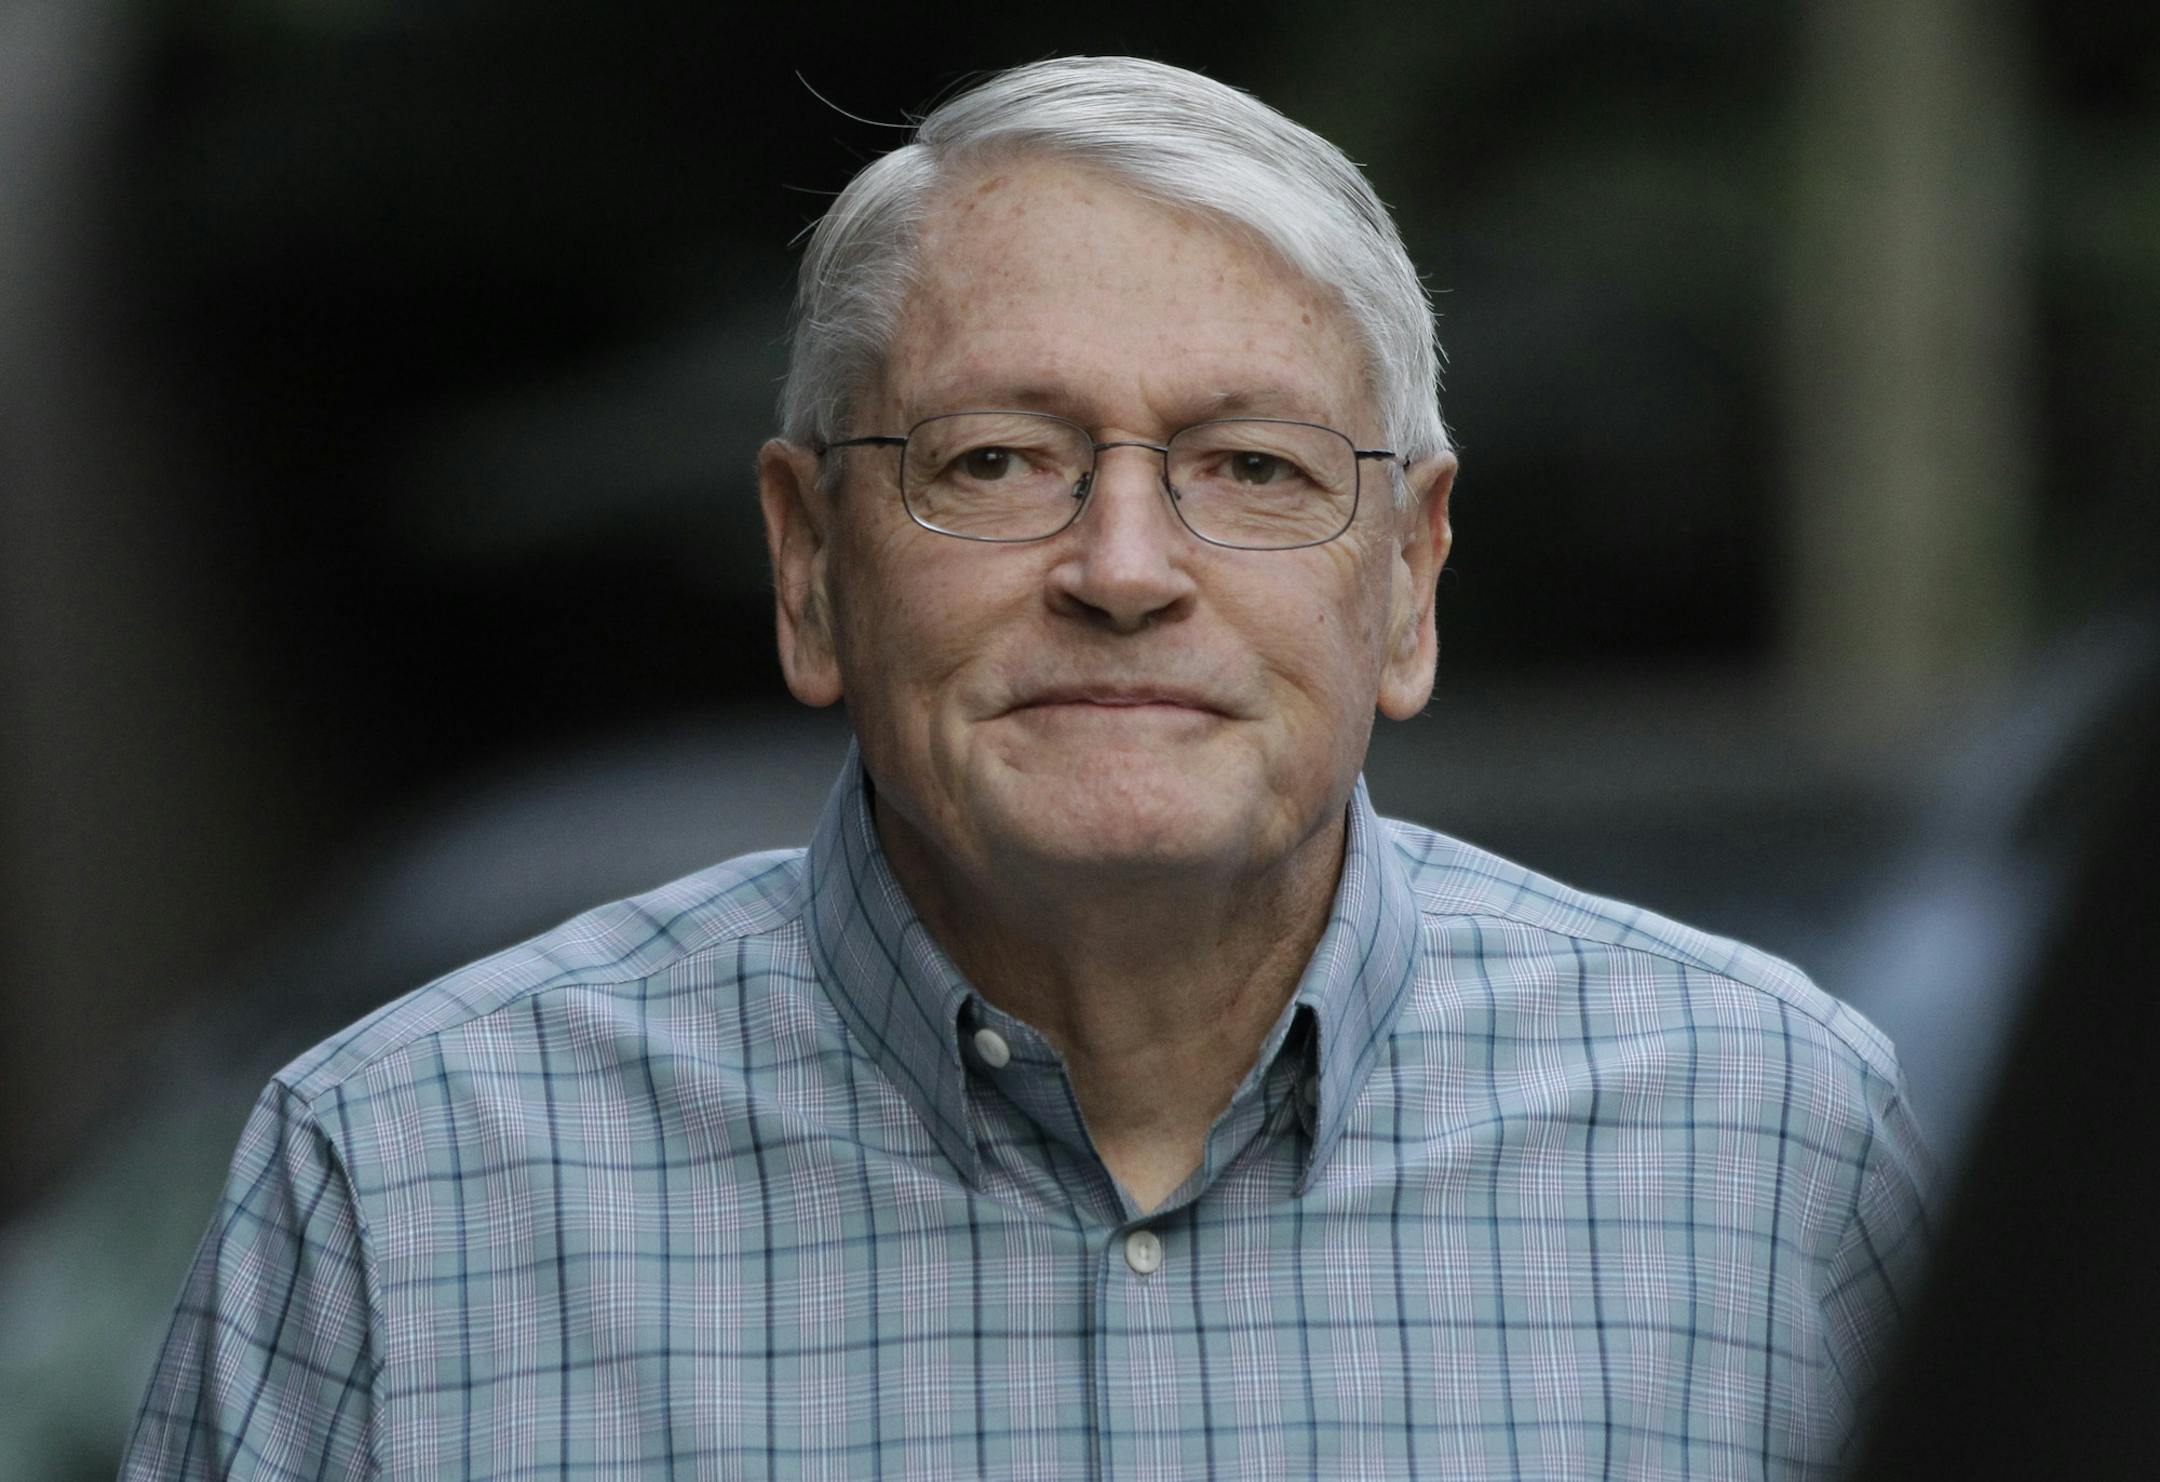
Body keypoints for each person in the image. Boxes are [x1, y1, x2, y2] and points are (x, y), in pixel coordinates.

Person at [121, 56, 1929, 1479]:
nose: (1126, 567)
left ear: (1410, 583)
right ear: (811, 562)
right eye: (994, 461)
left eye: (1255, 467)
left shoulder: (1771, 1149)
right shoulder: (410, 1188)